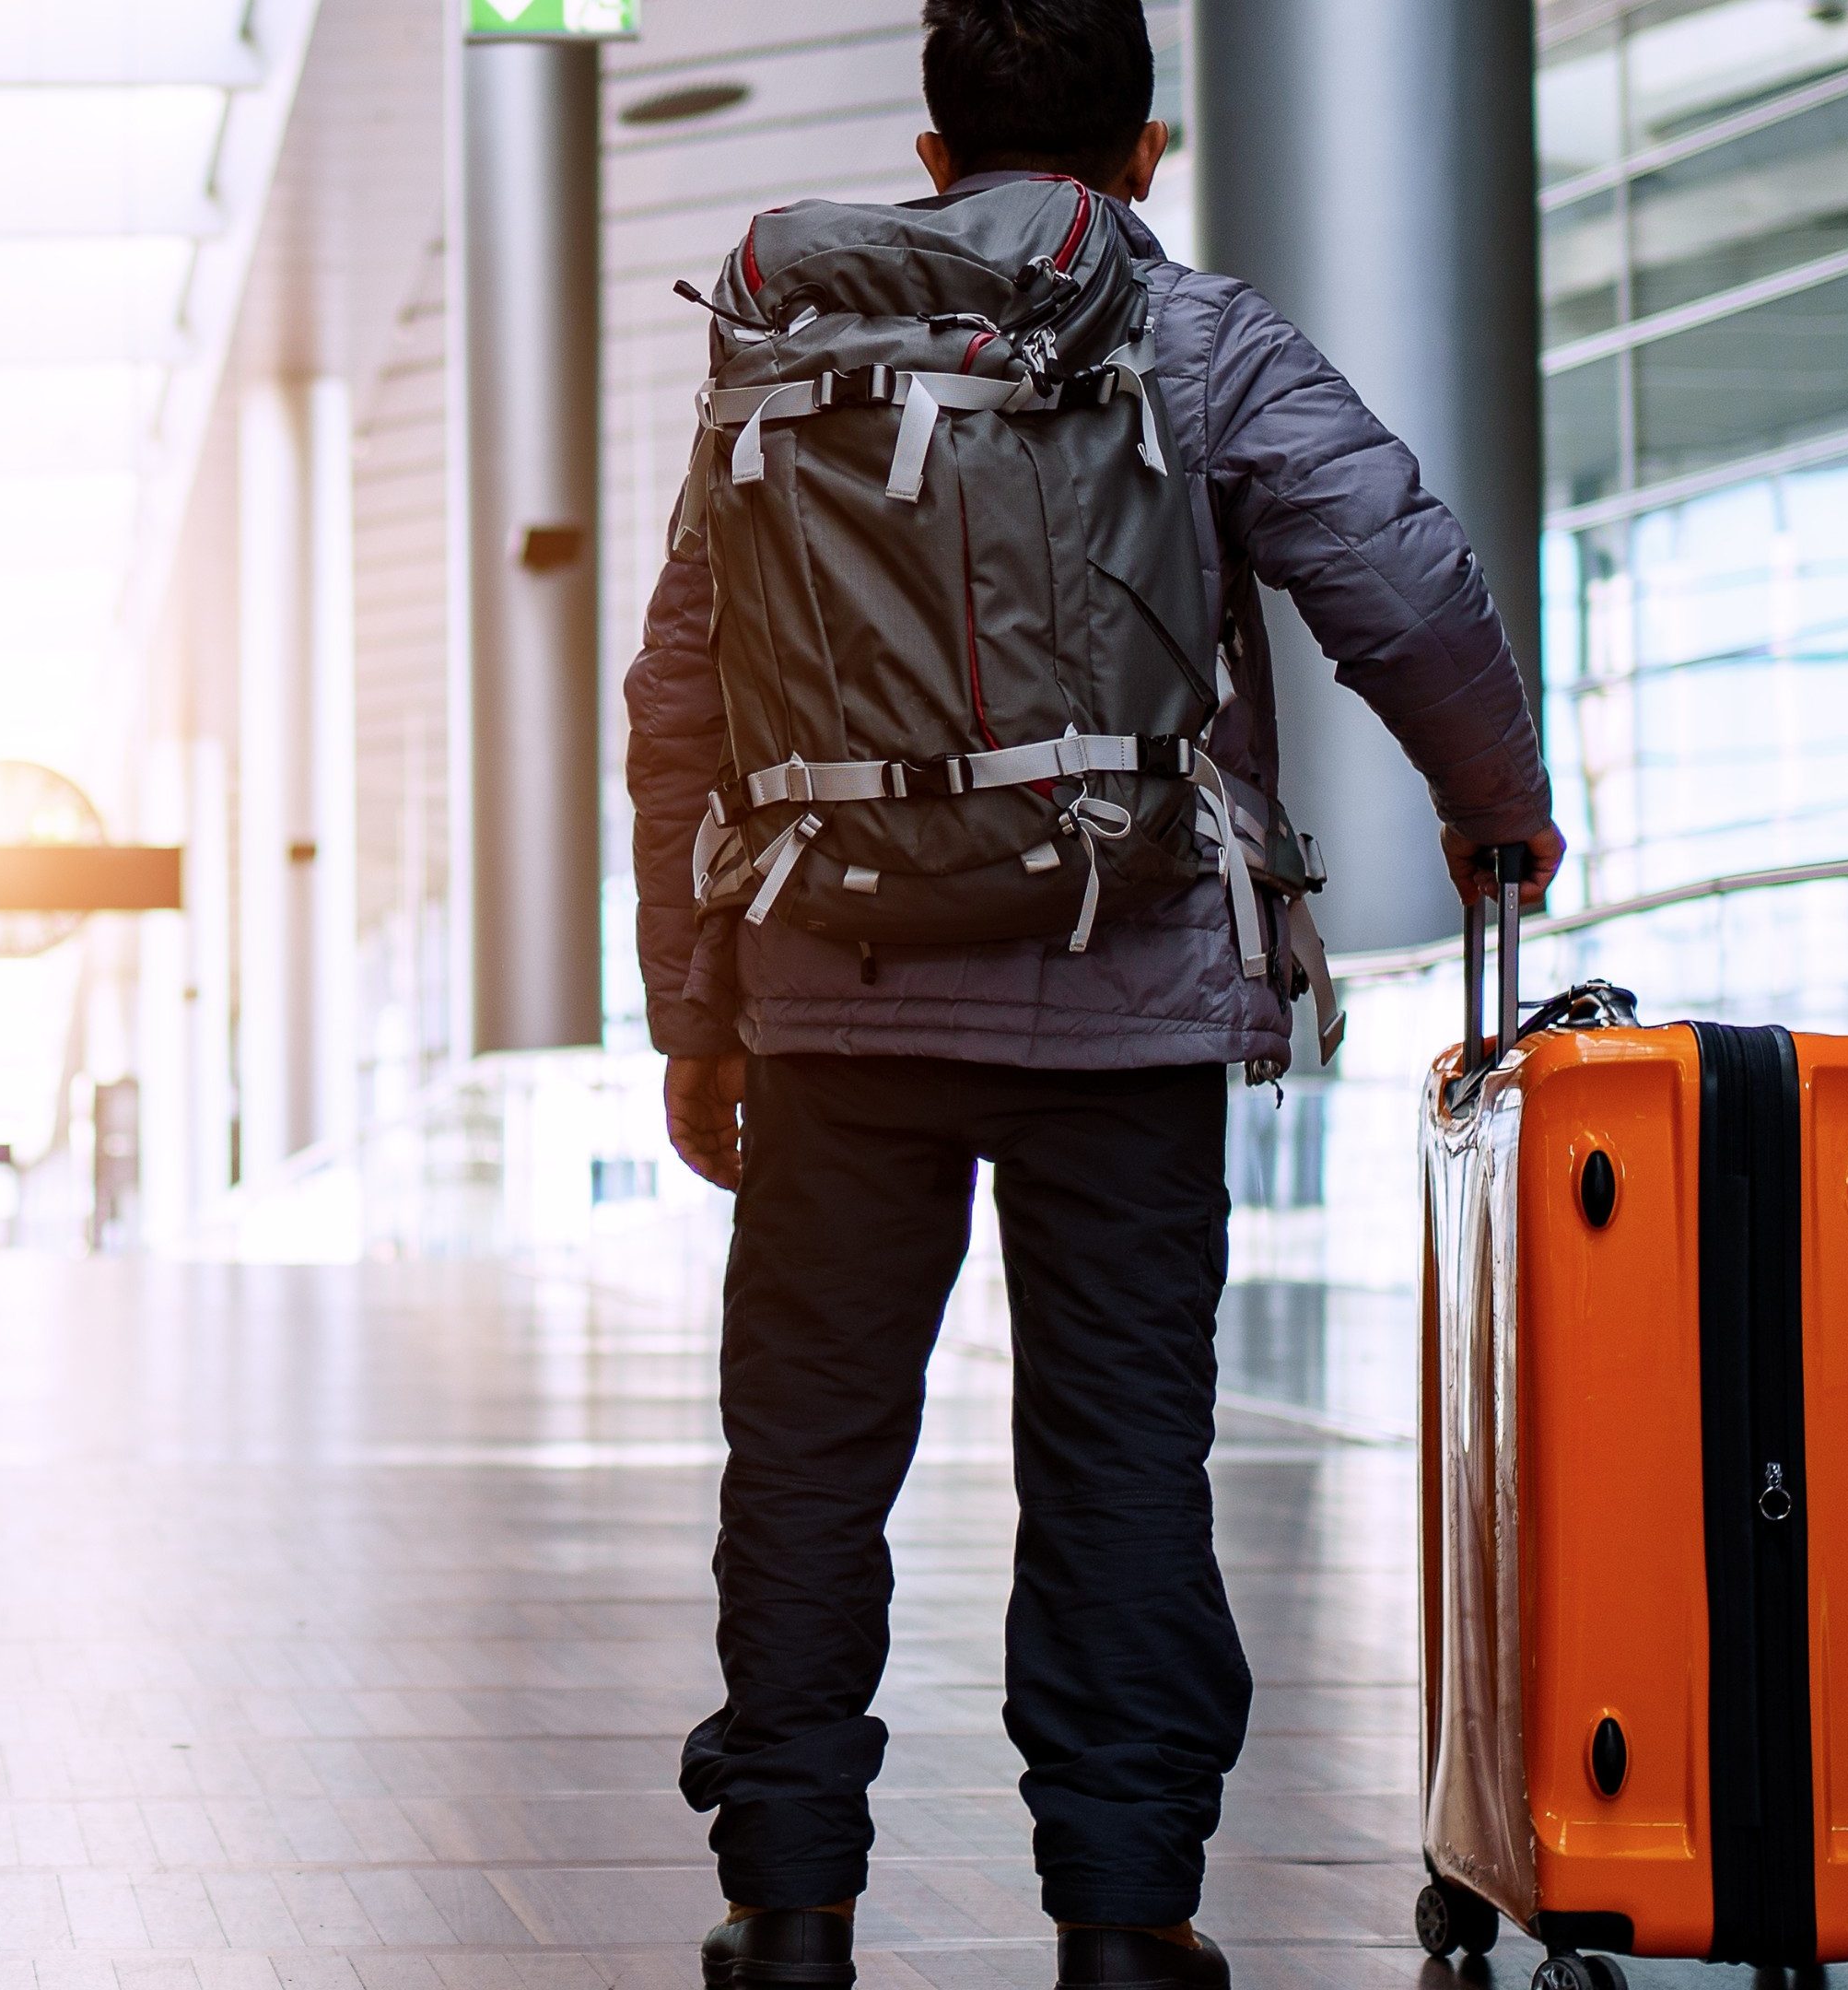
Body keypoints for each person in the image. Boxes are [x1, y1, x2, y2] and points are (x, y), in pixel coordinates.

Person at [627, 5, 1564, 1988]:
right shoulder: (1199, 335)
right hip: (1123, 993)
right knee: (1123, 1452)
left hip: (834, 1004)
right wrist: (1500, 810)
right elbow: (1398, 575)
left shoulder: (792, 347)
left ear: (932, 141)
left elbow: (681, 702)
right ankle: (1127, 1916)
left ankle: (787, 1901)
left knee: (810, 1452)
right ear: (1149, 153)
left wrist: (693, 1008)